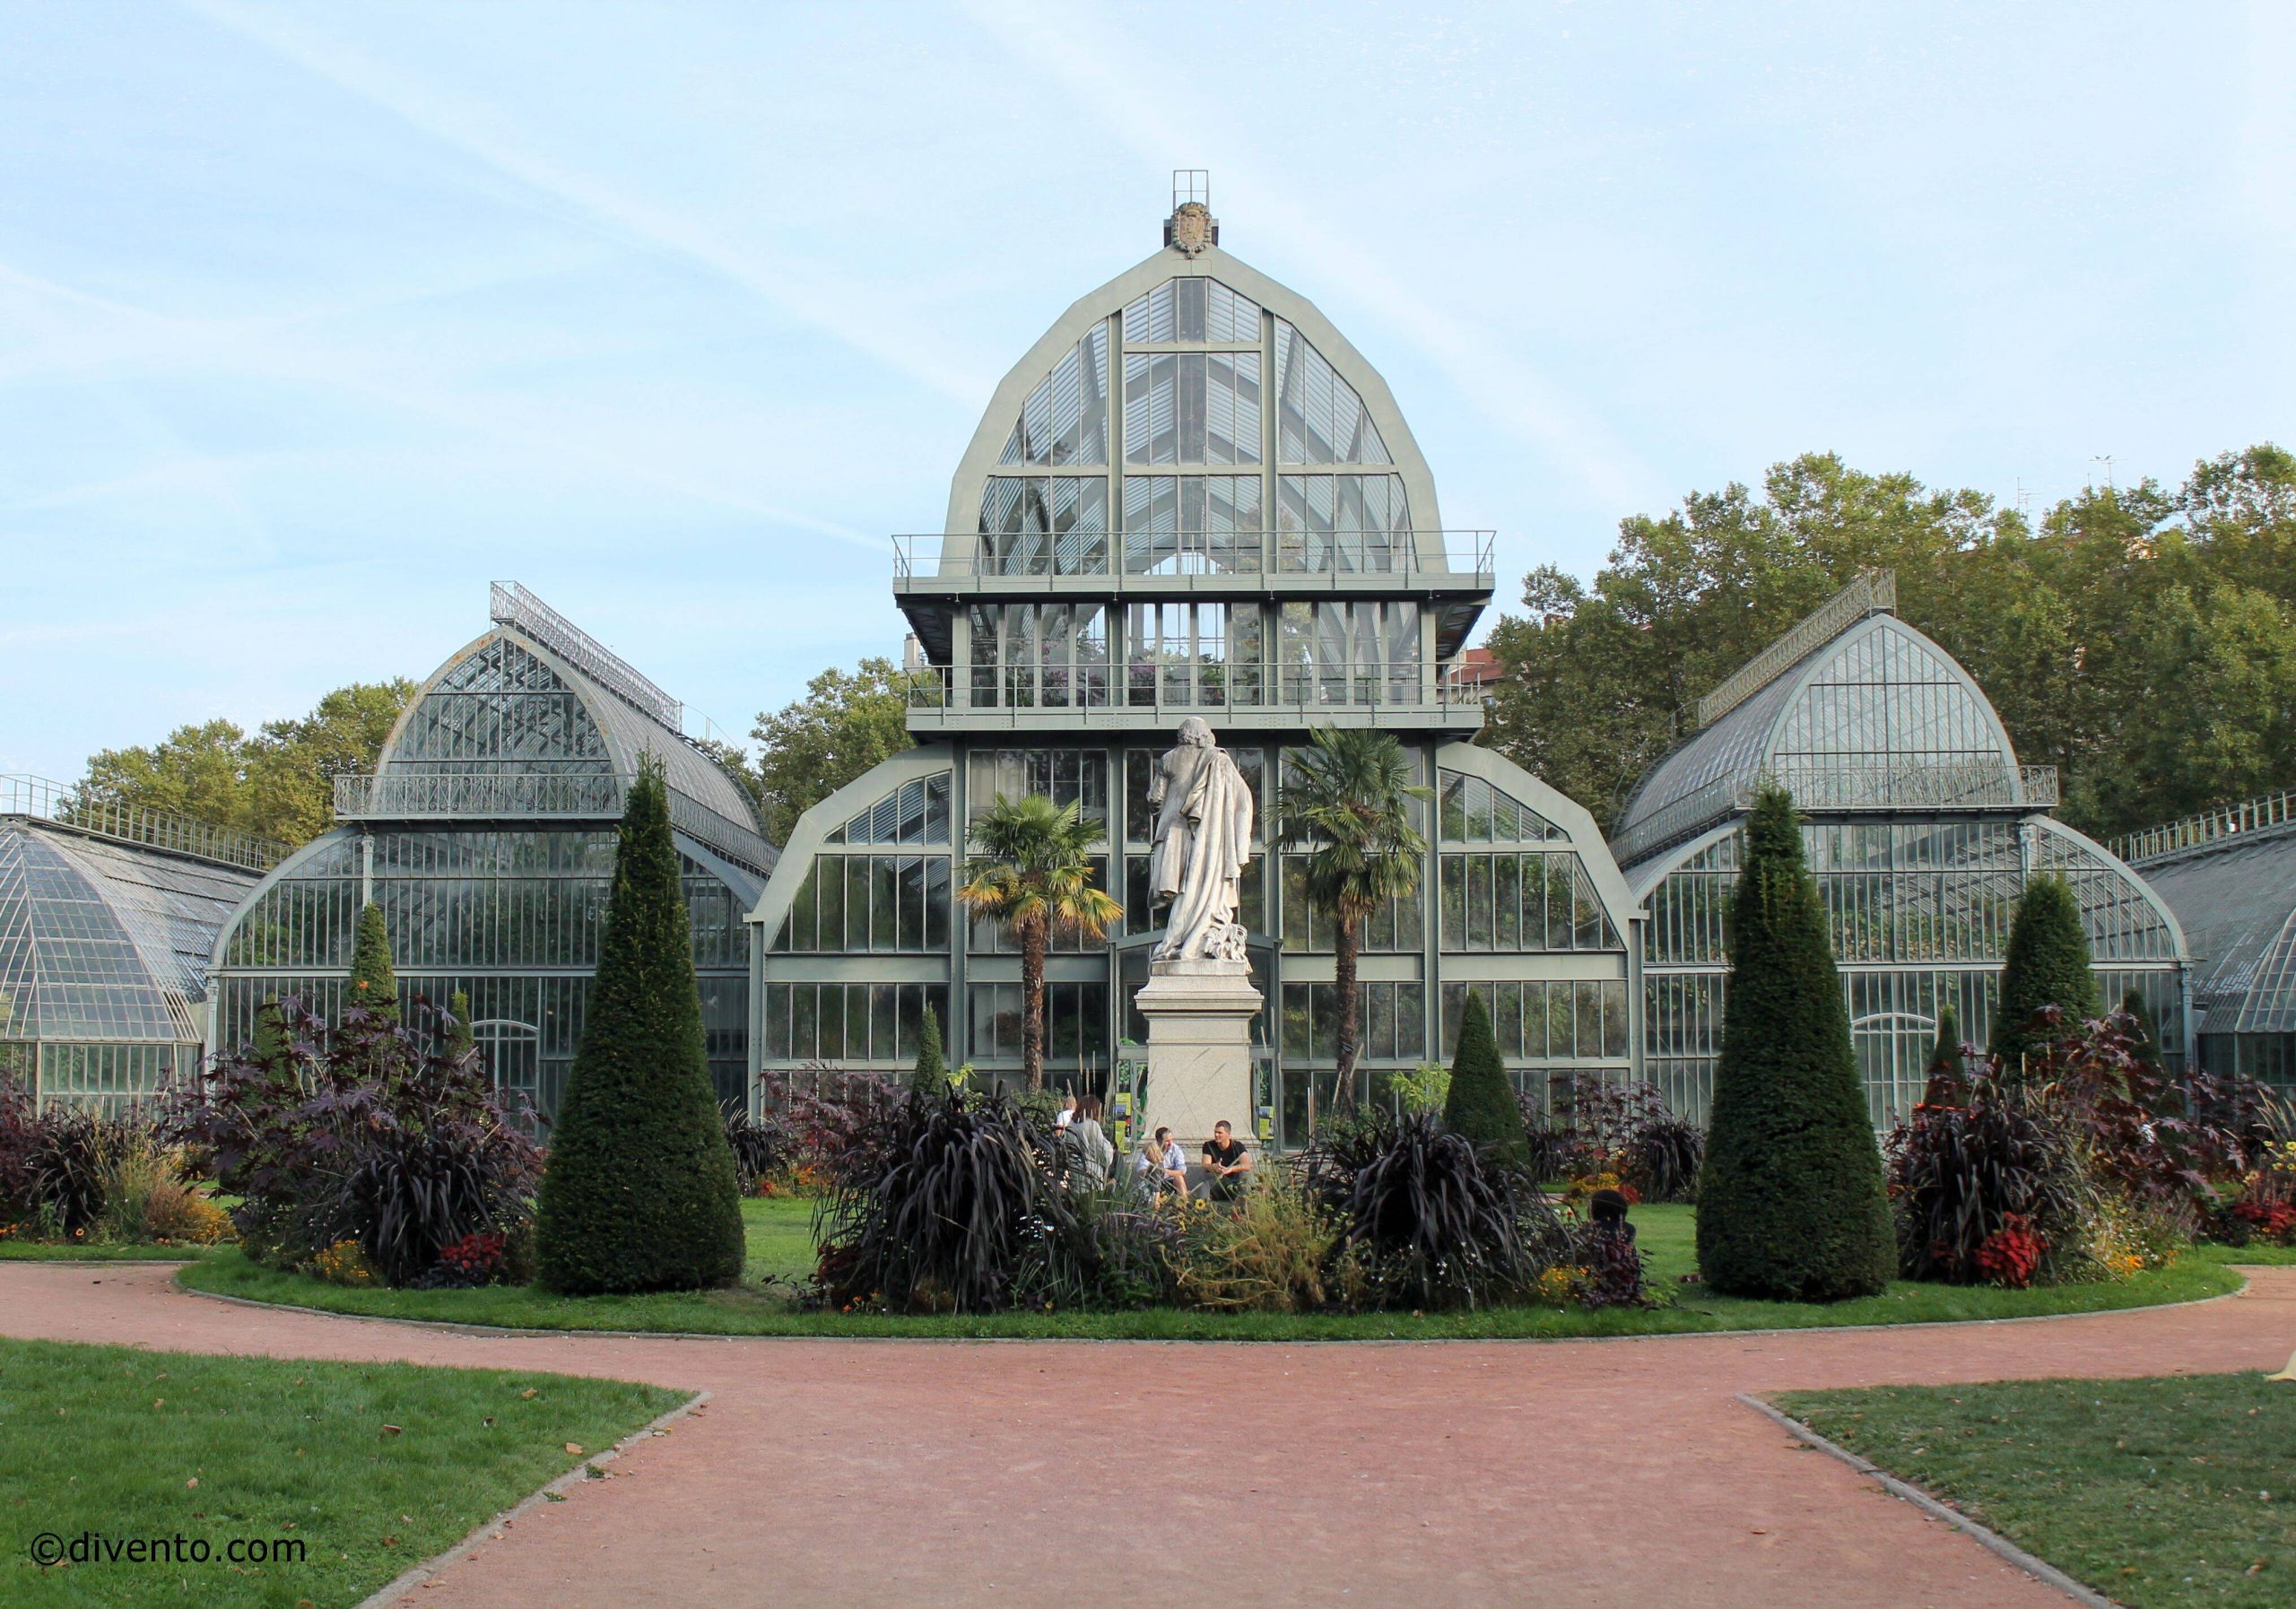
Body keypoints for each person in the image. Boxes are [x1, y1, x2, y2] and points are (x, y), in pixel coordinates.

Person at [1065, 1095, 1114, 1186]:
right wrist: (1109, 1147)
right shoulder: (1092, 1125)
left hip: (1074, 1175)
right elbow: (1105, 1154)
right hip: (1091, 1176)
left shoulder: (1070, 1124)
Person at [1201, 1120, 1252, 1203]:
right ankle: (1201, 1207)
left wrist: (1230, 1169)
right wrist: (1214, 1167)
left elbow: (1247, 1165)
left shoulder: (1237, 1146)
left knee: (1244, 1175)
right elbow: (1205, 1165)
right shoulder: (1208, 1145)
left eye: (1220, 1133)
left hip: (1234, 1184)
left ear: (1228, 1134)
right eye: (1215, 1132)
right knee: (1205, 1178)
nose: (1216, 1135)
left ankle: (1244, 1209)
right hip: (1217, 1183)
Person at [1134, 1126, 1188, 1197]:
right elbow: (1140, 1169)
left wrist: (1164, 1172)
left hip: (1171, 1180)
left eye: (1171, 1140)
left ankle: (1183, 1203)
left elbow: (1182, 1170)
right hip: (1153, 1180)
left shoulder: (1176, 1149)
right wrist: (1154, 1172)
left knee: (1179, 1178)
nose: (1170, 1143)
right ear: (1158, 1140)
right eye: (1167, 1141)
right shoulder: (1151, 1149)